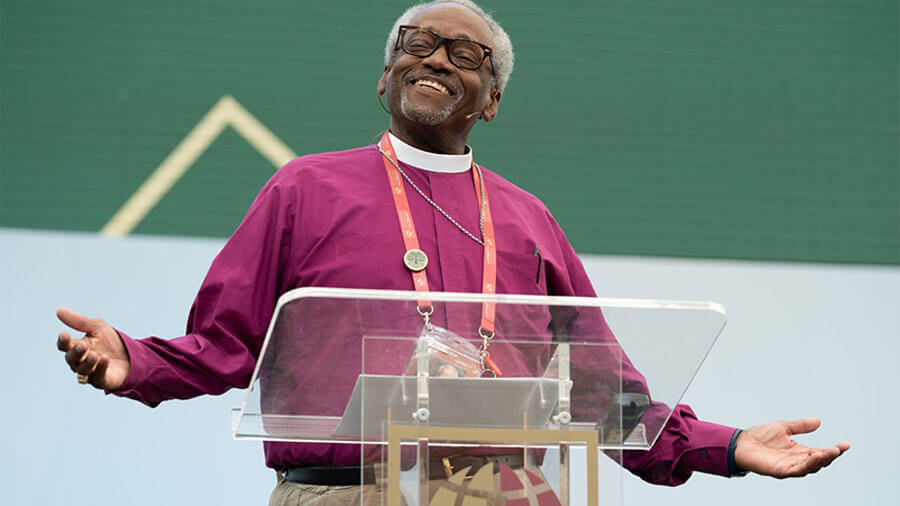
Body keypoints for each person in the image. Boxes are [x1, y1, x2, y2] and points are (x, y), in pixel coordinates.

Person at [56, 1, 849, 504]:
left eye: (464, 55)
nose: (435, 58)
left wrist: (730, 447)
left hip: (504, 494)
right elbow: (225, 344)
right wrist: (134, 361)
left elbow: (605, 396)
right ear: (386, 74)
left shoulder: (530, 219)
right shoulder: (304, 190)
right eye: (418, 43)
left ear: (492, 100)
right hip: (342, 494)